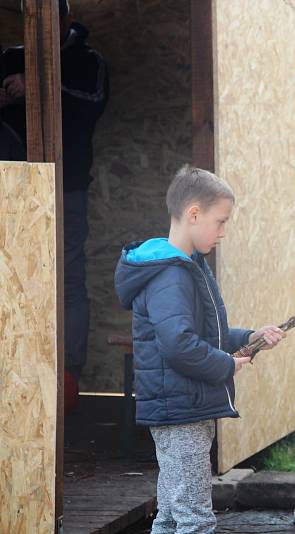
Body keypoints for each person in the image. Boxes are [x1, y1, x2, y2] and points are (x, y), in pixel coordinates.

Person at [114, 165, 285, 534]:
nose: (223, 232)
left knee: (173, 515)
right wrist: (226, 365)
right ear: (194, 214)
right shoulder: (170, 274)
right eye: (220, 221)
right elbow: (179, 345)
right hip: (181, 412)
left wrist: (250, 337)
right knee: (194, 517)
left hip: (183, 406)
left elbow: (207, 333)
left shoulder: (188, 266)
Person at [0, 0, 109, 412]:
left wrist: (37, 85)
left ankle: (68, 381)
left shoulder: (88, 60)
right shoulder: (9, 57)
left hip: (67, 185)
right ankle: (17, 385)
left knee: (67, 278)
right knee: (12, 280)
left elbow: (92, 103)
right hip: (11, 188)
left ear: (63, 15)